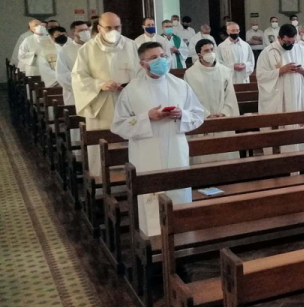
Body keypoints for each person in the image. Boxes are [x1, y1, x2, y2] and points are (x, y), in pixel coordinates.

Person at [112, 42, 204, 236]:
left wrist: (182, 115)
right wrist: (147, 117)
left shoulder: (180, 85)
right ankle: (152, 244)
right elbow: (119, 125)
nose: (161, 60)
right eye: (154, 58)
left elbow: (198, 114)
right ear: (142, 63)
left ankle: (183, 242)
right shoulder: (131, 90)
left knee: (178, 193)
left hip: (176, 148)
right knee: (150, 197)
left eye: (162, 55)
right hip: (146, 151)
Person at [72, 12, 141, 171]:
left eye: (117, 27)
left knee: (129, 149)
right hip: (101, 107)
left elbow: (142, 73)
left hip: (129, 106)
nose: (113, 31)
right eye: (108, 28)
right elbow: (78, 77)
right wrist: (99, 85)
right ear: (99, 28)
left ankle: (132, 187)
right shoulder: (87, 49)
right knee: (103, 149)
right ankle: (102, 184)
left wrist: (131, 85)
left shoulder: (132, 46)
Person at [255, 23, 304, 152]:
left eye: (293, 42)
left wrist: (302, 70)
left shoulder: (301, 49)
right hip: (279, 97)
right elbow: (260, 76)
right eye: (287, 42)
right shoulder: (268, 52)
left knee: (300, 129)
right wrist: (280, 71)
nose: (291, 45)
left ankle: (303, 157)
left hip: (299, 96)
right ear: (279, 38)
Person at [184, 39, 240, 163]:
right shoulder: (190, 73)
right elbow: (189, 98)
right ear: (199, 54)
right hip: (202, 120)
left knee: (226, 155)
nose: (210, 53)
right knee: (204, 157)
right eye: (206, 51)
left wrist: (224, 112)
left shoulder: (225, 71)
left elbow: (230, 95)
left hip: (222, 118)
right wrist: (206, 114)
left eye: (211, 49)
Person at [56, 21, 90, 107]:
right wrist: (83, 81)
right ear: (73, 33)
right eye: (81, 30)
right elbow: (61, 74)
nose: (85, 32)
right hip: (76, 93)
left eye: (87, 30)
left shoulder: (96, 47)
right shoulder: (65, 51)